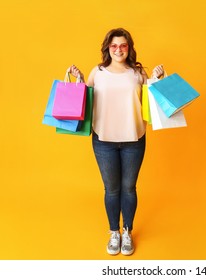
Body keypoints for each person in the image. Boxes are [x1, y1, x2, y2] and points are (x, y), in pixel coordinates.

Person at [68, 28, 164, 256]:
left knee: (129, 189)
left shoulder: (137, 73)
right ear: (108, 48)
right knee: (112, 189)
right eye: (114, 46)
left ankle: (127, 232)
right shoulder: (98, 72)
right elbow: (85, 99)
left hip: (134, 139)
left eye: (123, 45)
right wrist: (79, 79)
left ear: (128, 48)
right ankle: (114, 233)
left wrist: (156, 80)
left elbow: (151, 101)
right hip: (104, 141)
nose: (118, 49)